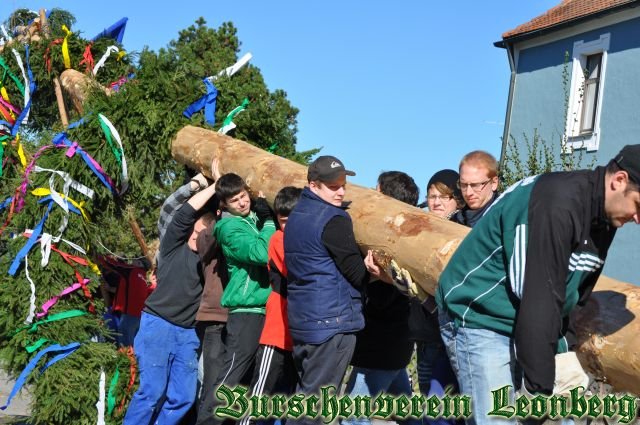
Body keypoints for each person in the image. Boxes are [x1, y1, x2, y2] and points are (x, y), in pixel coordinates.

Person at [435, 145, 640, 425]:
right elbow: (537, 297)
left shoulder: (605, 216)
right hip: (480, 316)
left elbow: (578, 288)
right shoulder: (556, 203)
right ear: (619, 181)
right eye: (639, 206)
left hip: (525, 318)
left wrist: (565, 344)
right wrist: (538, 391)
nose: (638, 219)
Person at [284, 155, 386, 425]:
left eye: (343, 184)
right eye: (333, 186)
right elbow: (356, 273)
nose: (341, 191)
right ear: (314, 185)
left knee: (306, 395)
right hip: (332, 323)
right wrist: (372, 271)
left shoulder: (296, 216)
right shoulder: (334, 219)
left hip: (305, 321)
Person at [124, 160, 219, 425]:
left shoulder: (209, 260)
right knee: (152, 392)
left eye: (203, 235)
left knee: (183, 398)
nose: (196, 237)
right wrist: (214, 187)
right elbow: (184, 211)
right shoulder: (172, 247)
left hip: (187, 333)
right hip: (158, 324)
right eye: (195, 231)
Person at [343, 171, 420, 425]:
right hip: (393, 346)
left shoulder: (389, 242)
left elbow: (385, 298)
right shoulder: (409, 235)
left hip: (381, 347)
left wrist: (372, 277)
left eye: (376, 191)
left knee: (353, 417)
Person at [200, 173, 276, 425]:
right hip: (245, 312)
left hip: (264, 309)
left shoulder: (252, 218)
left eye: (244, 196)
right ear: (224, 205)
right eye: (235, 200)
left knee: (251, 379)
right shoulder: (229, 228)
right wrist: (267, 221)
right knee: (229, 377)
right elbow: (261, 252)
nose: (242, 203)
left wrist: (266, 214)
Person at [239, 186, 303, 425]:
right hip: (276, 333)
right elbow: (294, 270)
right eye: (282, 221)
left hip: (298, 336)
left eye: (292, 221)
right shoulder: (278, 239)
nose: (287, 226)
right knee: (259, 398)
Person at [452, 151, 499, 227]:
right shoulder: (454, 222)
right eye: (464, 185)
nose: (468, 193)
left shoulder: (505, 219)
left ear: (494, 183)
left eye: (475, 185)